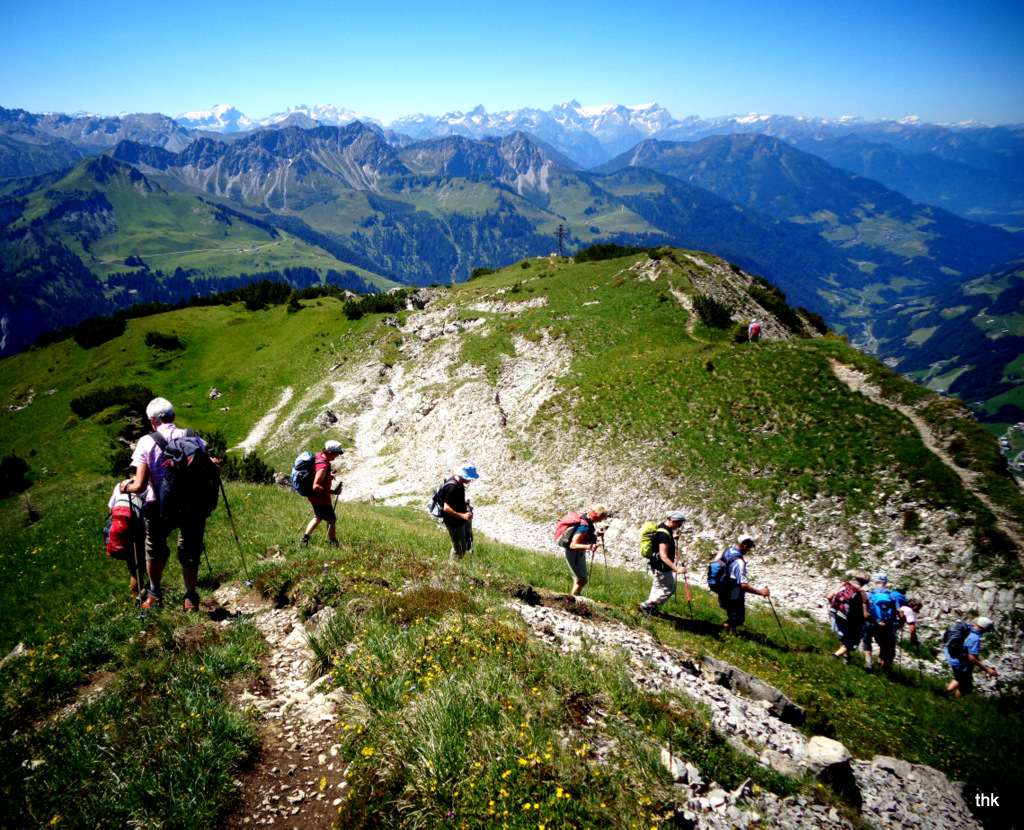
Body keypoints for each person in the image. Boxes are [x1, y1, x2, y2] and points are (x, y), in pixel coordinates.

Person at [120, 397, 221, 612]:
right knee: (190, 548)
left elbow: (139, 486)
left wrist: (124, 488)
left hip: (158, 506)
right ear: (173, 417)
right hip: (192, 505)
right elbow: (209, 469)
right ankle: (191, 599)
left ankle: (155, 595)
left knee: (154, 549)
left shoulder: (146, 442)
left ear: (151, 421)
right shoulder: (193, 437)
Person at [639, 510, 687, 615]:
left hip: (655, 564)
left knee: (657, 586)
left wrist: (672, 537)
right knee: (669, 589)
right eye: (679, 524)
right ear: (673, 521)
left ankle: (650, 609)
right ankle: (646, 605)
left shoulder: (663, 527)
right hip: (662, 566)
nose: (679, 526)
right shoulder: (664, 535)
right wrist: (676, 569)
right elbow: (663, 556)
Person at [717, 534, 769, 629]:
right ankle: (725, 631)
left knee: (734, 617)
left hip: (724, 590)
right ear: (745, 546)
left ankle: (728, 631)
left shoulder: (728, 551)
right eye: (749, 547)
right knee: (738, 619)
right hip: (734, 595)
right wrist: (761, 592)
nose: (748, 550)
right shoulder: (739, 563)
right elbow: (743, 586)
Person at [300, 440, 344, 547]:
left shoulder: (319, 457)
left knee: (318, 516)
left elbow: (317, 475)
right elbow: (316, 486)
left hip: (313, 496)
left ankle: (305, 539)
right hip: (320, 498)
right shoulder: (323, 465)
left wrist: (329, 476)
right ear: (329, 452)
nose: (337, 456)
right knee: (332, 519)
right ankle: (333, 542)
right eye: (336, 453)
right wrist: (334, 492)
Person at [945, 617, 998, 697]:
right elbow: (971, 657)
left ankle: (946, 694)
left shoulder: (968, 629)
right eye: (988, 629)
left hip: (953, 659)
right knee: (965, 687)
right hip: (962, 664)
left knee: (959, 678)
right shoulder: (975, 638)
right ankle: (954, 703)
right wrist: (987, 670)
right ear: (984, 628)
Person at [565, 505, 609, 597]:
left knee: (579, 579)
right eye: (600, 519)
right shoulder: (584, 526)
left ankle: (574, 597)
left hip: (577, 553)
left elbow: (583, 535)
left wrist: (595, 535)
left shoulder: (584, 518)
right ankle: (573, 598)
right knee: (582, 579)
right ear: (595, 516)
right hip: (575, 553)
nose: (600, 521)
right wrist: (590, 546)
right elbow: (573, 545)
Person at [825, 570, 870, 660]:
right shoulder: (862, 593)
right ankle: (835, 655)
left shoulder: (843, 584)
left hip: (836, 614)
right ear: (865, 582)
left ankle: (847, 658)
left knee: (844, 637)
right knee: (853, 640)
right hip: (850, 620)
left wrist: (834, 607)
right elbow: (865, 615)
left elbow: (829, 596)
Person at [439, 464, 479, 559]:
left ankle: (455, 566)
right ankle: (453, 568)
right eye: (469, 477)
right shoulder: (452, 488)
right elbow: (446, 508)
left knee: (463, 544)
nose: (470, 480)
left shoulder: (459, 483)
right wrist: (463, 516)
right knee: (459, 547)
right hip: (453, 522)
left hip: (459, 520)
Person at [862, 573, 898, 672]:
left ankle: (868, 662)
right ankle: (885, 666)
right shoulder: (892, 596)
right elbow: (898, 611)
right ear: (886, 582)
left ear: (874, 581)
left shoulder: (869, 595)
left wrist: (876, 621)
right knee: (885, 645)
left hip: (872, 624)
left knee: (867, 640)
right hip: (887, 625)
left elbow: (865, 613)